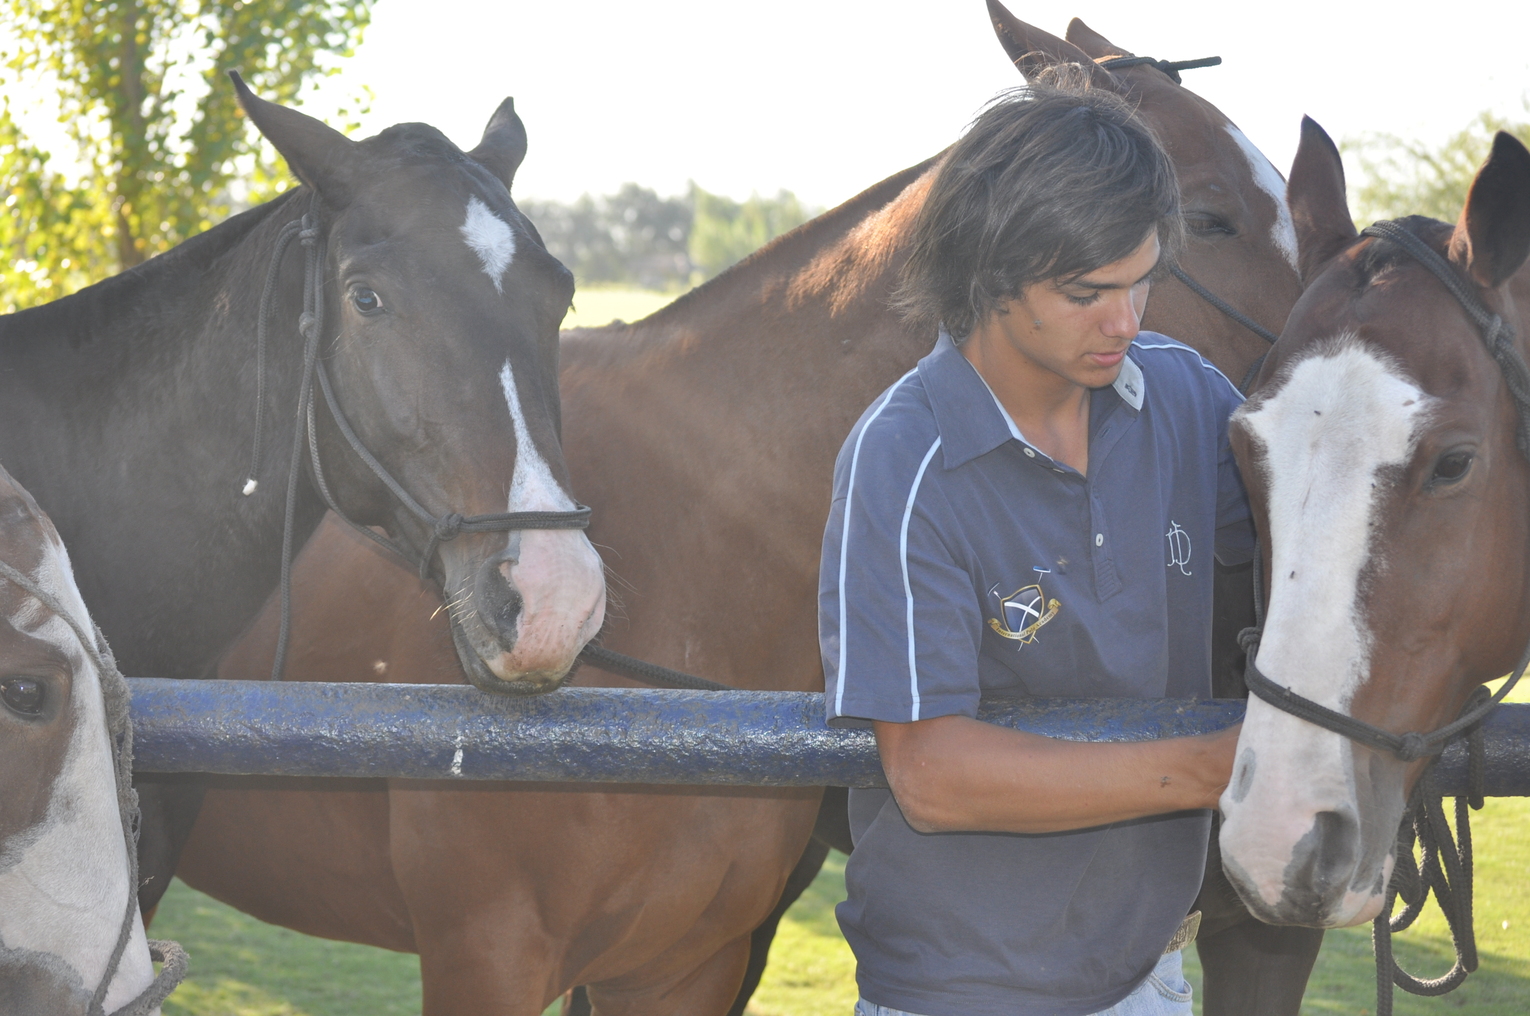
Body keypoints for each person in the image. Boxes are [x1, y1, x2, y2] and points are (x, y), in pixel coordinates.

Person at [818, 74, 1254, 1016]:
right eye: (1087, 292)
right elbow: (930, 774)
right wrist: (1226, 764)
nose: (1127, 323)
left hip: (1150, 972)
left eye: (1143, 283)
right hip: (960, 987)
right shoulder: (902, 463)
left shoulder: (1188, 400)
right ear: (987, 273)